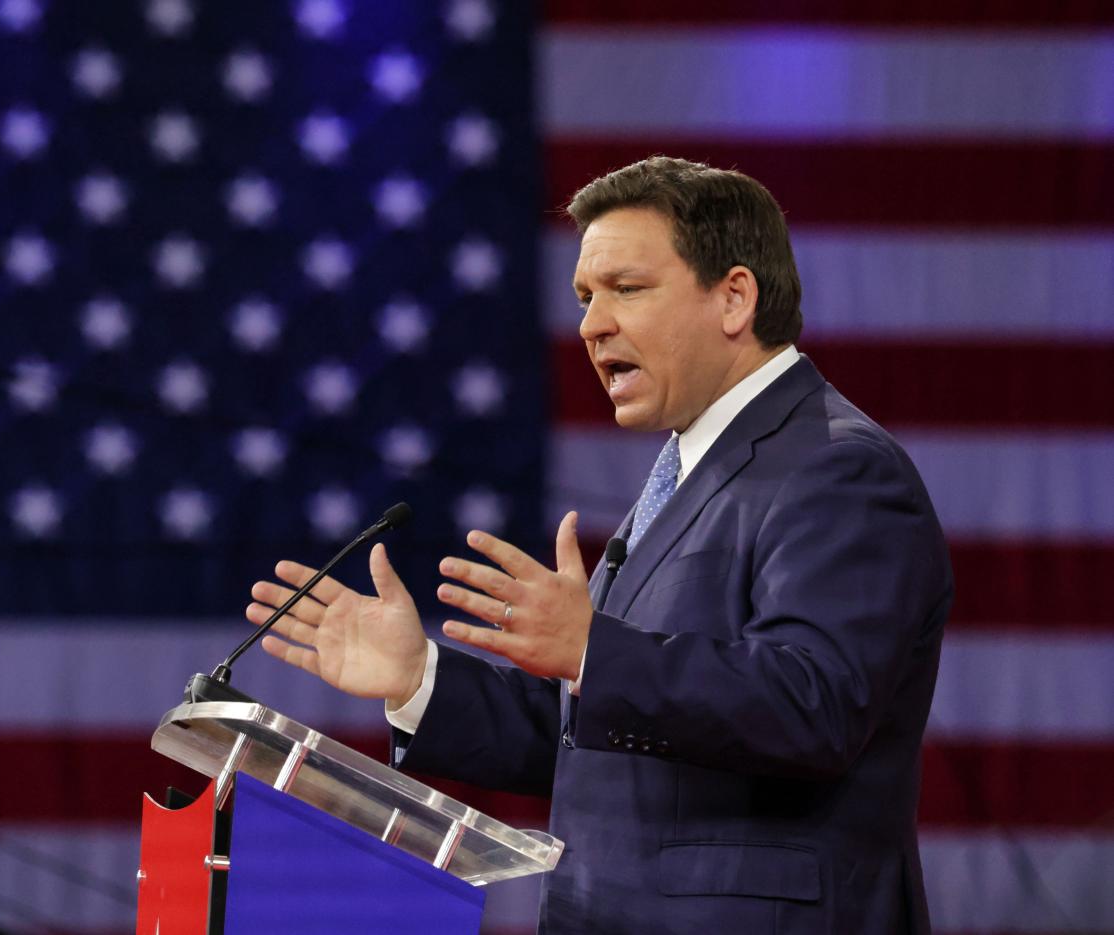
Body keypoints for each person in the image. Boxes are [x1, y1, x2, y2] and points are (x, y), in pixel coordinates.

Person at [247, 156, 953, 934]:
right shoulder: (694, 466)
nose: (590, 324)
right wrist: (421, 680)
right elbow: (600, 732)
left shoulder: (835, 466)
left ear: (734, 297)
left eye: (627, 288)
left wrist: (593, 650)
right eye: (586, 296)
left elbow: (812, 703)